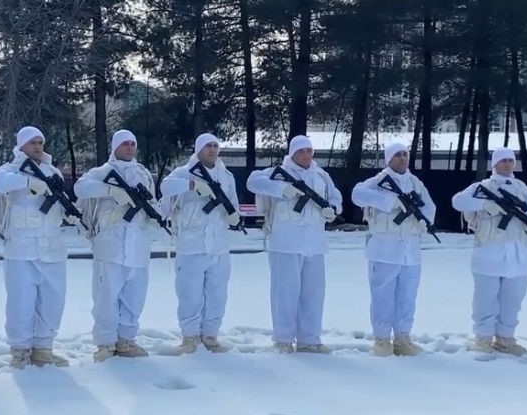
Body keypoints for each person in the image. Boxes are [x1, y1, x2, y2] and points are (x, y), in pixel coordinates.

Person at [0, 126, 75, 369]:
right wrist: (29, 183)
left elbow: (59, 200)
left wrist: (70, 213)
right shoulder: (11, 169)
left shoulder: (52, 171)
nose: (37, 146)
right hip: (22, 249)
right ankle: (20, 350)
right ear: (22, 145)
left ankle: (43, 348)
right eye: (32, 142)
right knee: (21, 302)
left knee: (52, 301)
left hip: (51, 248)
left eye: (40, 142)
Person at [246, 135, 342, 353]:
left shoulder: (321, 175)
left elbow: (335, 197)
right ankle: (283, 339)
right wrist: (282, 189)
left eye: (309, 150)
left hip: (314, 243)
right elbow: (253, 182)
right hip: (285, 241)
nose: (306, 155)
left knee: (313, 294)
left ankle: (310, 339)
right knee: (285, 293)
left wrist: (333, 209)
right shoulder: (278, 172)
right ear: (292, 153)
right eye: (301, 151)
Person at [75, 129, 164, 361]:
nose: (129, 148)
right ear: (115, 147)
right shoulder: (103, 172)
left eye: (132, 144)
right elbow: (80, 188)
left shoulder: (143, 173)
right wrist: (111, 191)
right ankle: (105, 343)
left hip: (138, 246)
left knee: (134, 298)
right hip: (110, 245)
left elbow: (152, 201)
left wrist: (156, 216)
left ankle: (126, 340)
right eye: (125, 144)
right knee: (106, 298)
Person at [451, 148, 527, 356]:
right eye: (503, 160)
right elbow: (457, 201)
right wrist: (484, 204)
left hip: (516, 253)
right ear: (495, 164)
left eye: (510, 160)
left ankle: (505, 337)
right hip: (488, 251)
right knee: (485, 298)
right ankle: (483, 337)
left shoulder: (521, 188)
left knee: (513, 299)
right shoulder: (482, 187)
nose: (507, 164)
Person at [351, 142, 436, 357]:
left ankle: (402, 337)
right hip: (384, 249)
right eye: (397, 155)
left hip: (410, 251)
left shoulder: (415, 183)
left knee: (407, 297)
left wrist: (425, 221)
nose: (402, 158)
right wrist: (390, 201)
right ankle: (381, 339)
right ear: (389, 159)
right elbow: (357, 194)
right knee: (383, 296)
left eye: (405, 154)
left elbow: (429, 206)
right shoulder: (378, 181)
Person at [160, 133, 239, 354]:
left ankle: (210, 334)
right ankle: (190, 336)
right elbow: (166, 187)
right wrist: (192, 185)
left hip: (219, 246)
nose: (212, 150)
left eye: (215, 146)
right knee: (189, 294)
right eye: (207, 146)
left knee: (217, 295)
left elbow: (233, 204)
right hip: (191, 245)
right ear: (198, 149)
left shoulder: (226, 176)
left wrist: (234, 216)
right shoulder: (183, 173)